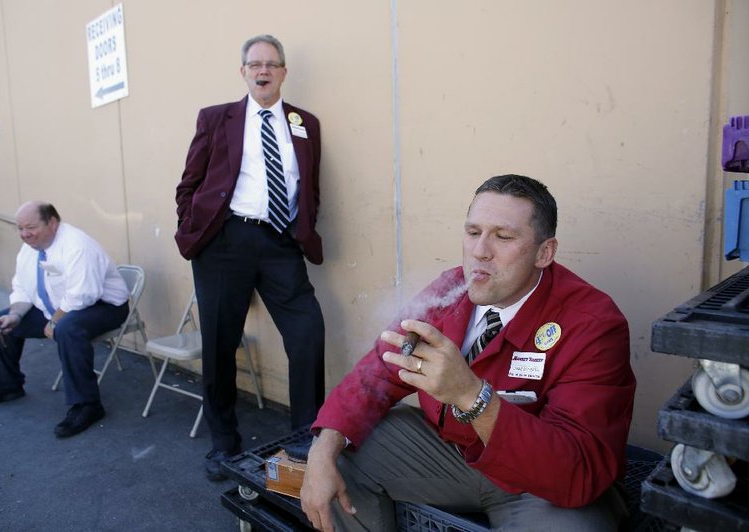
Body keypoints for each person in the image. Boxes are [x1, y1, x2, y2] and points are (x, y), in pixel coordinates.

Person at [301, 174, 636, 531]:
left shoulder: (593, 323)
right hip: (450, 456)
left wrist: (470, 396)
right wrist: (322, 448)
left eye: (503, 237)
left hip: (538, 485)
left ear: (544, 253)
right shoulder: (451, 288)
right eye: (473, 232)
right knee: (343, 457)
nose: (480, 252)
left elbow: (577, 471)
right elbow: (379, 371)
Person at [174, 34, 325, 482]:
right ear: (243, 71)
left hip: (280, 243)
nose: (263, 71)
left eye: (272, 64)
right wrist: (195, 228)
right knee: (220, 345)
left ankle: (306, 436)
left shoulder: (306, 122)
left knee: (308, 332)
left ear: (283, 72)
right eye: (255, 64)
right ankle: (224, 444)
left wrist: (304, 227)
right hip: (225, 243)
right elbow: (189, 183)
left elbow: (311, 183)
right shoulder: (216, 118)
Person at [0, 201, 130, 438]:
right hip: (57, 307)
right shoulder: (30, 248)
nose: (24, 234)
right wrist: (15, 315)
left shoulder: (77, 245)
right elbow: (23, 288)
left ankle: (88, 405)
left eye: (30, 227)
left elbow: (83, 294)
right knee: (1, 320)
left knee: (67, 329)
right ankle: (5, 387)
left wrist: (55, 321)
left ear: (52, 222)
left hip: (104, 306)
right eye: (19, 228)